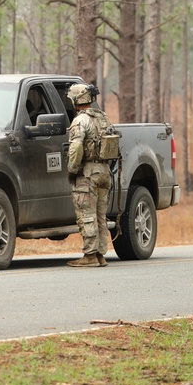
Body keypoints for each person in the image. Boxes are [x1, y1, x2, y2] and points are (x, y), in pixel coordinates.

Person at [66, 83, 114, 267]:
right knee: (101, 215)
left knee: (86, 214)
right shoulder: (103, 118)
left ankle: (90, 256)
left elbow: (76, 147)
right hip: (104, 172)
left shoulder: (80, 121)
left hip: (87, 174)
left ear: (77, 100)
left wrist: (72, 169)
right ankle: (101, 255)